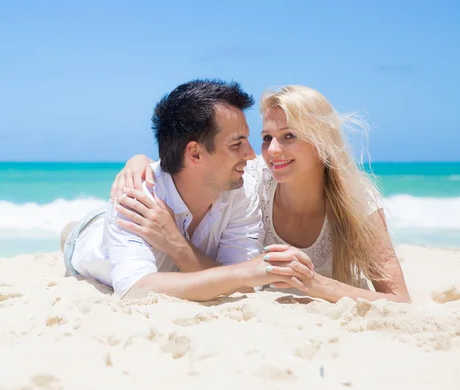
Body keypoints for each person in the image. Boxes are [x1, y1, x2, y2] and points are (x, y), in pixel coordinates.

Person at [110, 85, 410, 303]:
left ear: (322, 142)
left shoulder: (357, 205)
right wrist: (138, 161)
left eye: (289, 136)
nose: (269, 152)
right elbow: (191, 167)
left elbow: (398, 301)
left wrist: (314, 283)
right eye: (267, 138)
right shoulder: (251, 183)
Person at [60, 79, 316, 301]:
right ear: (195, 152)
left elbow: (244, 286)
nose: (251, 155)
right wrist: (245, 272)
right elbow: (135, 291)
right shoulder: (136, 197)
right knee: (72, 235)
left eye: (249, 141)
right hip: (87, 242)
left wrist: (176, 244)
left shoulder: (240, 190)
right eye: (237, 144)